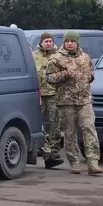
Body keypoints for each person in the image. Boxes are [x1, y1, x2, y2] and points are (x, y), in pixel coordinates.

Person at [46, 31, 103, 175]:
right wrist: (65, 73)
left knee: (89, 128)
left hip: (84, 100)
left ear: (77, 42)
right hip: (66, 102)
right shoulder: (56, 58)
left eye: (72, 41)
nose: (70, 43)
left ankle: (93, 161)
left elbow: (91, 75)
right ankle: (74, 162)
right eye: (67, 41)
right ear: (64, 42)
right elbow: (49, 78)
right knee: (70, 133)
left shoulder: (85, 57)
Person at [32, 32, 63, 168]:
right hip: (39, 93)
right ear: (41, 42)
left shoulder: (58, 56)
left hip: (53, 93)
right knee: (39, 121)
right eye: (46, 41)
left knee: (54, 121)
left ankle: (54, 149)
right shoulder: (34, 56)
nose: (49, 43)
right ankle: (43, 148)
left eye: (50, 41)